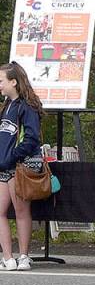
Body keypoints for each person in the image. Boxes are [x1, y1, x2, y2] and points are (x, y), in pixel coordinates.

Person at [0, 63, 43, 270]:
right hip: (3, 166)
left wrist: (13, 157)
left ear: (13, 82)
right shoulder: (6, 106)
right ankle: (8, 257)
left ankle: (24, 256)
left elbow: (31, 139)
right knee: (0, 210)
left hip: (20, 166)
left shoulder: (27, 107)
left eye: (1, 81)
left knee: (21, 210)